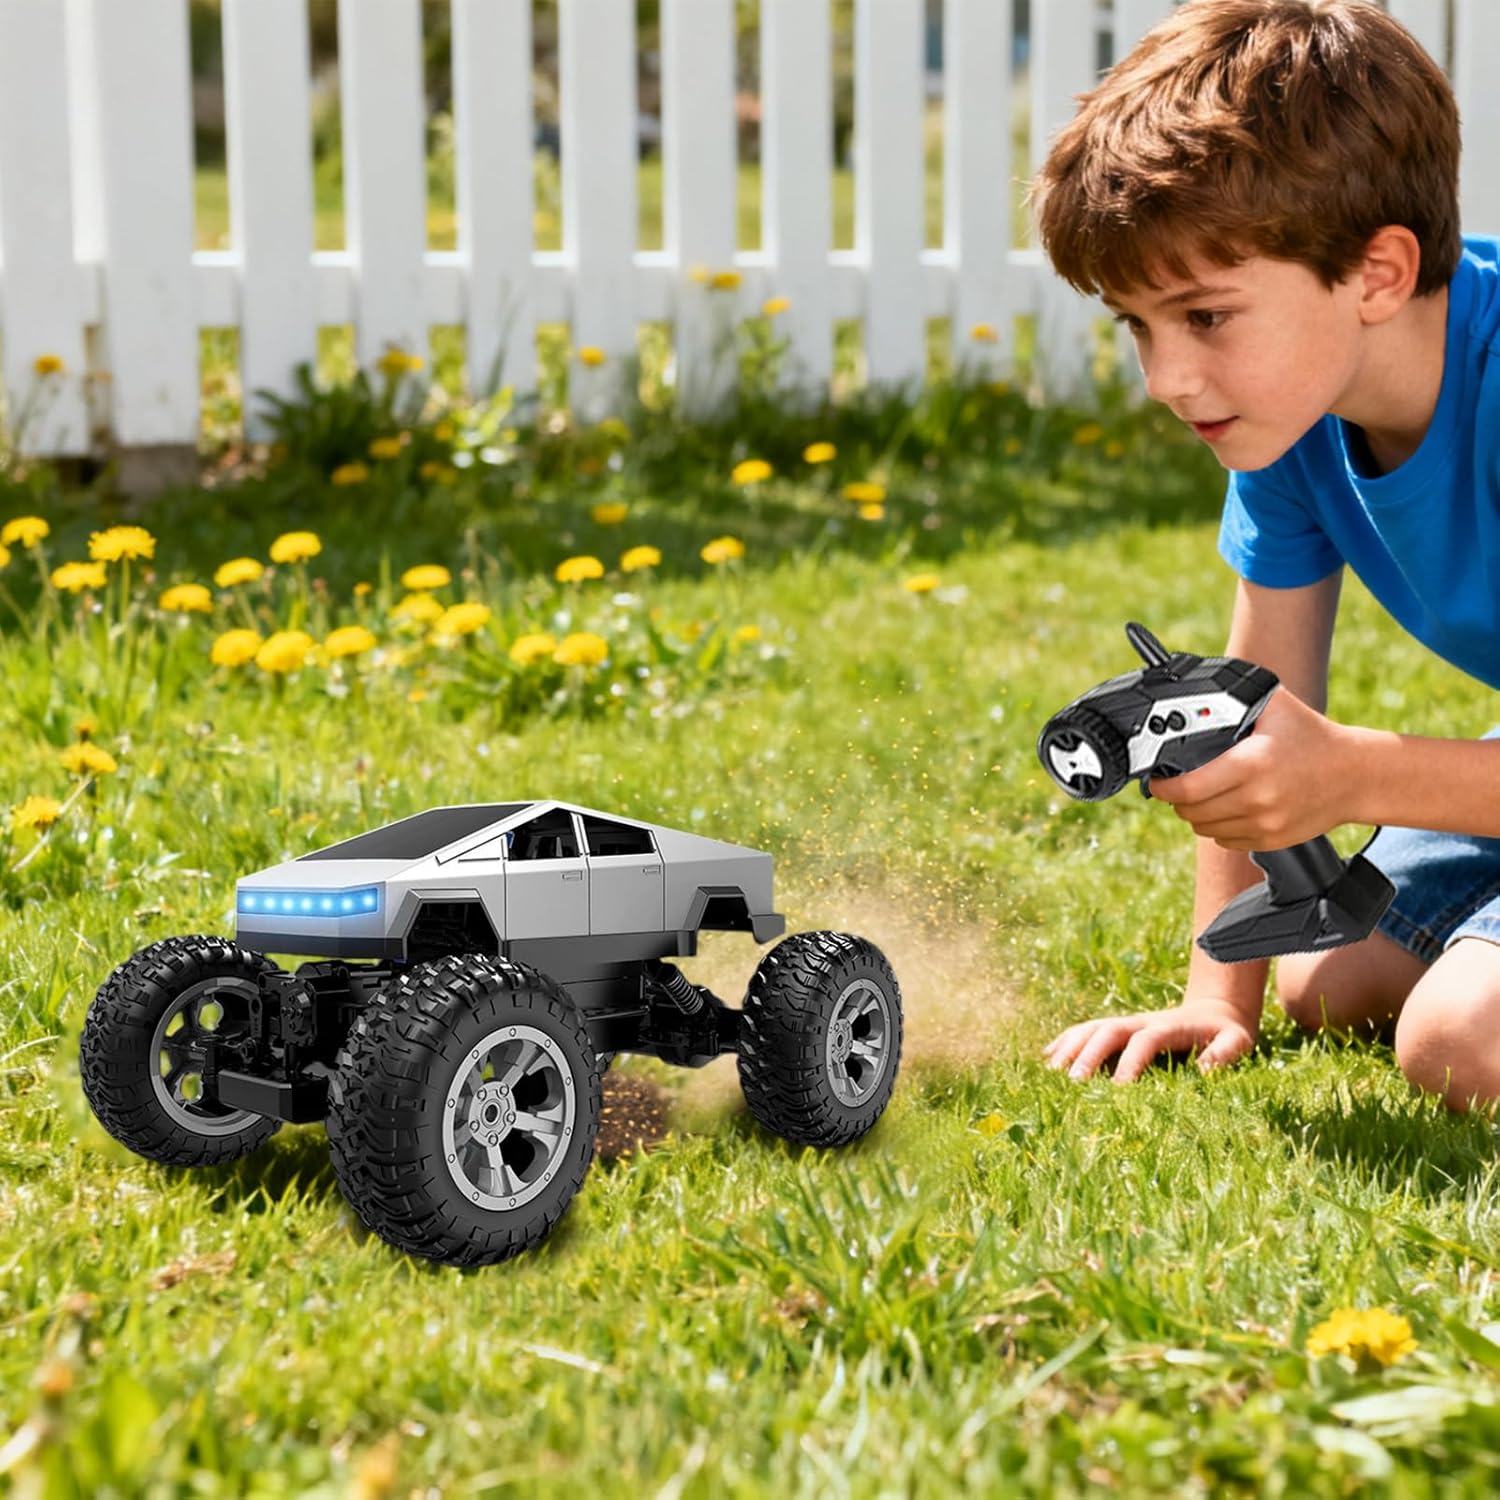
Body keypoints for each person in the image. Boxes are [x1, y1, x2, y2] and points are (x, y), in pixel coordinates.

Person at [1027, 0, 1500, 1111]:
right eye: (1137, 325)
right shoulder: (1294, 421)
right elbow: (1246, 704)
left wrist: (1354, 773)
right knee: (1326, 980)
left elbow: (1324, 762)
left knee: (1461, 1041)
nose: (1166, 380)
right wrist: (1216, 998)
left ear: (1378, 273)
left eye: (1204, 316)